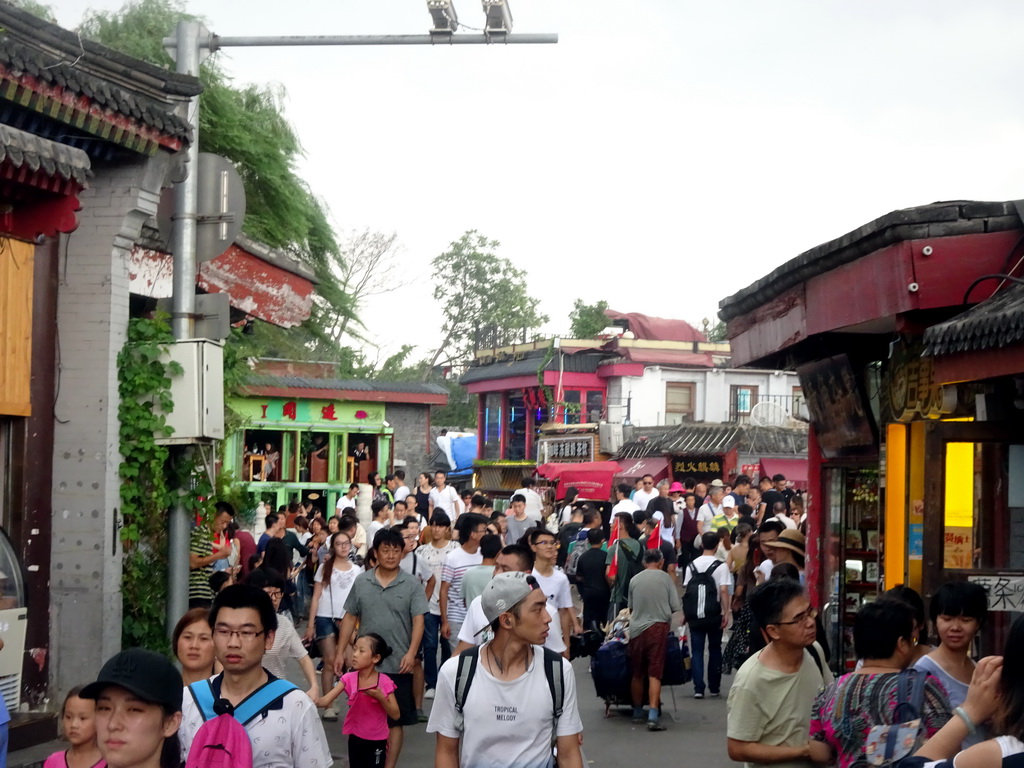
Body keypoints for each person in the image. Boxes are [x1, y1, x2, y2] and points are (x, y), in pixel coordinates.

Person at [427, 572, 585, 768]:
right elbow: (446, 752)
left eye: (545, 606)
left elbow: (569, 755)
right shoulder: (456, 673)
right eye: (538, 609)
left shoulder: (558, 671)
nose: (548, 618)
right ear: (507, 620)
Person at [178, 585, 332, 768]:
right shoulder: (187, 701)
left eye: (247, 632)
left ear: (269, 638)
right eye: (224, 631)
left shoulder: (296, 706)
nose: (233, 643)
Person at [809, 599, 951, 768]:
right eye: (912, 641)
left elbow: (819, 751)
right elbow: (947, 745)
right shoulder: (924, 686)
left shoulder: (830, 690)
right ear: (901, 644)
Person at [336, 529, 429, 768]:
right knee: (364, 717)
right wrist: (340, 652)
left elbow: (419, 620)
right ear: (375, 552)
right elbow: (349, 617)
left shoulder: (411, 584)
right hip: (368, 666)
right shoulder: (362, 581)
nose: (390, 555)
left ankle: (389, 765)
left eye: (395, 550)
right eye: (385, 550)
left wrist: (411, 653)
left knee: (394, 721)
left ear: (402, 552)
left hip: (399, 663)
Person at [727, 579, 833, 768]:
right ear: (773, 631)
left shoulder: (814, 651)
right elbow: (737, 748)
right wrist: (804, 751)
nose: (810, 623)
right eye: (799, 618)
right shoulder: (752, 680)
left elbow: (830, 702)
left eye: (810, 612)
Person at [452, 543, 568, 657]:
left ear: (525, 574)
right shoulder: (479, 604)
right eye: (496, 567)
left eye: (505, 569)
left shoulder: (547, 614)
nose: (497, 574)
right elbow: (463, 648)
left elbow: (557, 659)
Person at [913, 581, 990, 747]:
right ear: (935, 621)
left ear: (978, 623)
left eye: (966, 620)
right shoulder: (924, 671)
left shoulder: (978, 670)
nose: (955, 627)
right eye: (947, 619)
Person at [317, 633, 400, 768]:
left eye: (361, 651)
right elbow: (326, 700)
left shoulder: (384, 682)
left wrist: (381, 698)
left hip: (377, 740)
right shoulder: (349, 678)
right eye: (354, 649)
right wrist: (307, 699)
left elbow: (396, 714)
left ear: (376, 658)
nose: (355, 654)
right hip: (355, 737)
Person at [304, 531, 359, 721]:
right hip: (325, 616)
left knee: (352, 662)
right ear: (333, 547)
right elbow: (316, 596)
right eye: (339, 543)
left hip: (349, 619)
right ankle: (328, 703)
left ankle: (354, 701)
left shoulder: (357, 570)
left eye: (346, 543)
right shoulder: (325, 567)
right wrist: (310, 624)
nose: (343, 547)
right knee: (329, 661)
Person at [245, 568, 319, 704]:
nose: (273, 599)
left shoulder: (284, 624)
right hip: (244, 695)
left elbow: (303, 657)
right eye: (268, 593)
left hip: (276, 696)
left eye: (277, 593)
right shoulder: (240, 624)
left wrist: (314, 686)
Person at [628, 548, 682, 731]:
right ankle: (652, 715)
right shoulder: (666, 578)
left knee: (637, 672)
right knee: (654, 672)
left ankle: (636, 712)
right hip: (658, 628)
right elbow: (675, 606)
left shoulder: (634, 579)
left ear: (644, 562)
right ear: (661, 562)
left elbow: (631, 607)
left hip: (636, 630)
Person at [684, 531, 733, 699]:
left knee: (696, 651)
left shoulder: (692, 565)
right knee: (714, 649)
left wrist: (685, 613)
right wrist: (726, 612)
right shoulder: (721, 566)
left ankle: (698, 688)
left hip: (695, 615)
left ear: (702, 545)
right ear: (718, 545)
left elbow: (687, 591)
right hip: (714, 613)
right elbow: (724, 590)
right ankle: (714, 686)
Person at [415, 511, 458, 700]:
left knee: (448, 645)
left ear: (447, 528)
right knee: (430, 645)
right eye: (433, 525)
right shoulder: (421, 551)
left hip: (451, 606)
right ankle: (431, 683)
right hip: (429, 605)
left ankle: (445, 679)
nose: (436, 529)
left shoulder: (455, 549)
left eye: (440, 525)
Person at [528, 527, 579, 652]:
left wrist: (566, 644)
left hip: (553, 640)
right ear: (534, 547)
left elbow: (564, 611)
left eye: (553, 543)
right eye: (544, 543)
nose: (550, 546)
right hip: (529, 638)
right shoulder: (528, 575)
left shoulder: (561, 578)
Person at [439, 514, 487, 644]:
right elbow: (444, 590)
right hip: (458, 619)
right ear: (473, 534)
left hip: (481, 619)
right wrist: (445, 622)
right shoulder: (453, 558)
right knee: (460, 660)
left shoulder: (484, 555)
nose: (486, 533)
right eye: (484, 530)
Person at [45, 687, 106, 768]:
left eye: (82, 718)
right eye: (68, 717)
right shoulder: (53, 762)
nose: (73, 725)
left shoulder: (110, 763)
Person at [189, 502, 234, 608]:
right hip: (198, 593)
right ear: (214, 515)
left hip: (206, 593)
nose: (224, 526)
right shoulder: (201, 532)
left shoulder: (208, 535)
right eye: (223, 522)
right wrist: (219, 555)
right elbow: (193, 562)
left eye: (227, 524)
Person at [605, 511, 643, 616]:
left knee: (614, 629)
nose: (611, 525)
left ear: (620, 525)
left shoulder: (614, 549)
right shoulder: (640, 546)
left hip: (618, 597)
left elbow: (611, 576)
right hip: (636, 597)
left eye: (613, 522)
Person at [574, 528, 611, 632]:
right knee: (604, 621)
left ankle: (587, 641)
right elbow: (608, 574)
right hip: (604, 592)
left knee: (589, 622)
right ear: (602, 540)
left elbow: (578, 577)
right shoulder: (606, 556)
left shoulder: (583, 557)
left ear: (588, 541)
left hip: (588, 593)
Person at [172, 607, 217, 685]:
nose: (194, 645)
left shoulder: (225, 694)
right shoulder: (162, 692)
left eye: (203, 638)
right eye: (187, 637)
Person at [460, 533, 500, 608]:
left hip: (472, 617)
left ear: (481, 551)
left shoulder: (468, 573)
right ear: (499, 552)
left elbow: (465, 602)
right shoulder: (500, 575)